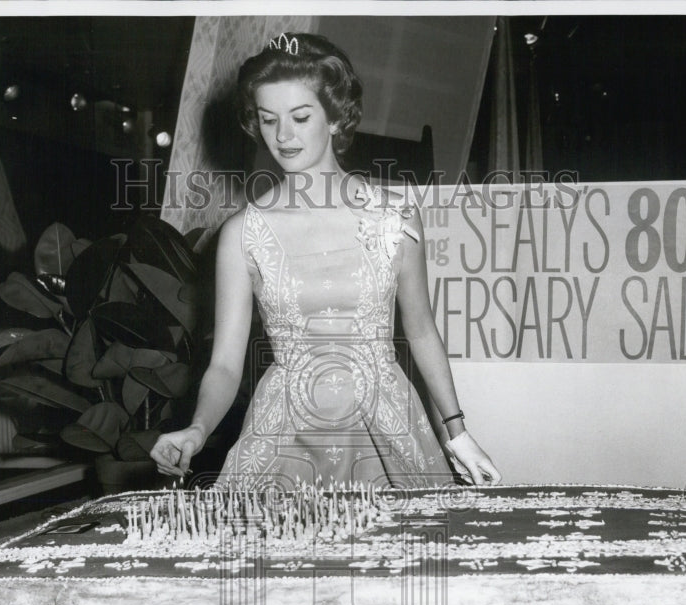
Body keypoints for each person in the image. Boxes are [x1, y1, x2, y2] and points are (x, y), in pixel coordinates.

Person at [151, 32, 499, 489]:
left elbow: (421, 330)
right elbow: (225, 365)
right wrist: (197, 430)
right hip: (285, 429)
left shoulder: (394, 216)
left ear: (335, 118)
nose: (283, 136)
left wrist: (458, 434)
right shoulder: (241, 233)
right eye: (269, 119)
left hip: (387, 423)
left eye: (300, 117)